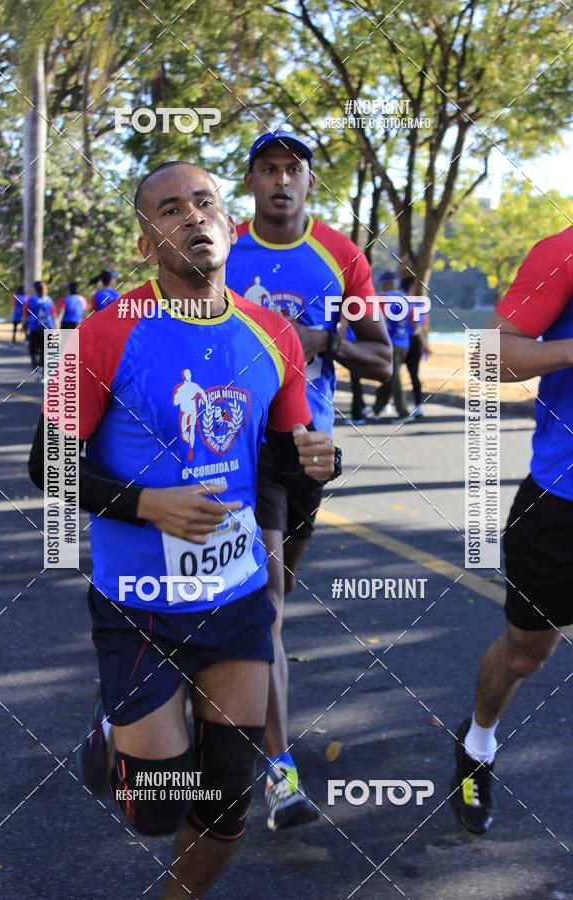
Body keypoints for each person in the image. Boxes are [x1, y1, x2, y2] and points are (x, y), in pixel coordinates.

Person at [28, 160, 335, 899]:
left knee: (227, 801)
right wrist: (148, 504)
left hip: (234, 598)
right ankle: (114, 728)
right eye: (169, 209)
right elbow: (48, 467)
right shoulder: (100, 336)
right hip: (138, 602)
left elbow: (288, 468)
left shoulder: (274, 337)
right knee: (157, 811)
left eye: (204, 202)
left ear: (227, 222)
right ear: (145, 242)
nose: (193, 216)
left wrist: (321, 464)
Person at [226, 130, 392, 830]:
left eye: (293, 169)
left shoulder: (341, 256)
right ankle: (279, 769)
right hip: (238, 442)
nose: (281, 181)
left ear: (309, 183)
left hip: (311, 447)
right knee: (264, 597)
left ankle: (211, 666)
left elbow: (382, 360)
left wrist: (327, 342)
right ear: (253, 183)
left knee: (276, 595)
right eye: (267, 169)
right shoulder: (224, 247)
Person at [451, 225, 573, 835]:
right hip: (561, 502)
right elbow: (490, 355)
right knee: (526, 654)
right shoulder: (563, 251)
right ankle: (476, 745)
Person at [370, 271, 412, 423]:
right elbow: (414, 322)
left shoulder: (384, 298)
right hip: (404, 342)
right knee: (389, 376)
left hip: (390, 342)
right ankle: (377, 408)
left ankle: (403, 412)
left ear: (386, 283)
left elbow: (381, 319)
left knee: (393, 378)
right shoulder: (406, 298)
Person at [401, 274, 430, 419]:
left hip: (401, 341)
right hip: (414, 342)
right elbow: (420, 327)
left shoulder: (399, 302)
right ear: (413, 287)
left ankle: (387, 404)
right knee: (414, 375)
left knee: (392, 374)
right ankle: (418, 406)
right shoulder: (420, 305)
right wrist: (424, 344)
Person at [22, 280, 55, 373]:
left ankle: (36, 366)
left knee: (32, 349)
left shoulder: (31, 300)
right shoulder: (49, 300)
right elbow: (53, 315)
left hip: (35, 328)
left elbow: (25, 314)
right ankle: (43, 367)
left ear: (35, 290)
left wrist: (23, 326)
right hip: (48, 327)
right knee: (45, 349)